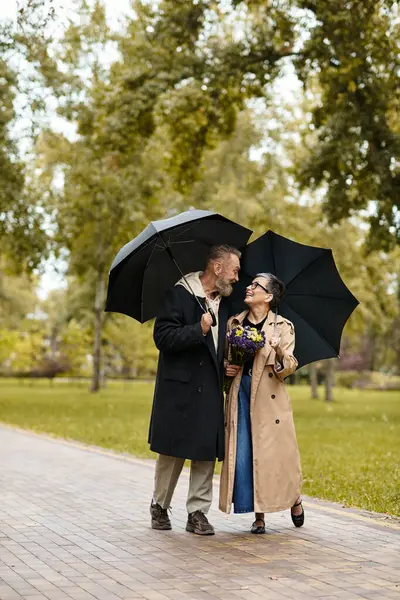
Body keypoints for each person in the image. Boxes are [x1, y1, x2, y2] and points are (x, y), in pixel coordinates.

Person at [148, 245, 241, 535]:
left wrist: (227, 362)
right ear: (217, 268)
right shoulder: (179, 294)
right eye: (234, 270)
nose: (237, 277)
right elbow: (162, 337)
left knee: (204, 452)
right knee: (172, 451)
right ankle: (159, 506)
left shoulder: (225, 302)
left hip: (210, 388)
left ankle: (197, 513)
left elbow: (222, 342)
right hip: (179, 388)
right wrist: (198, 329)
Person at [219, 273, 304, 533]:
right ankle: (259, 516)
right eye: (251, 283)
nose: (249, 287)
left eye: (256, 285)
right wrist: (228, 367)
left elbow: (288, 368)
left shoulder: (283, 327)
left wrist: (278, 350)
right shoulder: (235, 323)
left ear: (268, 297)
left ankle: (295, 498)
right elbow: (227, 359)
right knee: (245, 452)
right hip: (241, 395)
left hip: (269, 400)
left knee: (274, 457)